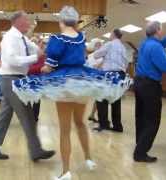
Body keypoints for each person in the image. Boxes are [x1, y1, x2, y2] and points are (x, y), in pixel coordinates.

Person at [12, 6, 132, 179]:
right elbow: (81, 59)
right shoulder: (81, 37)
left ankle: (66, 172)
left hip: (64, 84)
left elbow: (50, 65)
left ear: (61, 22)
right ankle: (89, 159)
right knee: (80, 123)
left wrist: (39, 70)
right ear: (75, 21)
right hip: (83, 81)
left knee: (65, 129)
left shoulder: (57, 39)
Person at [0, 11, 55, 161]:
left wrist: (47, 49)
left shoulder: (22, 38)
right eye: (26, 21)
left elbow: (36, 49)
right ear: (18, 22)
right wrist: (36, 57)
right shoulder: (9, 38)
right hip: (11, 80)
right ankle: (36, 150)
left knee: (4, 116)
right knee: (27, 115)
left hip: (14, 79)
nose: (29, 24)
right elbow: (12, 60)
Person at [134, 21, 166, 163]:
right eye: (162, 29)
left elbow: (161, 43)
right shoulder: (155, 47)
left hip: (138, 83)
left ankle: (140, 144)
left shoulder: (145, 44)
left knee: (141, 117)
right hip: (150, 86)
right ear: (158, 30)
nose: (163, 31)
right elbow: (165, 66)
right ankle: (140, 153)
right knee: (152, 120)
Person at [92, 29, 129, 133]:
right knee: (116, 100)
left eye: (110, 33)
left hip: (109, 74)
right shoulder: (123, 47)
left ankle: (104, 124)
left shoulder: (109, 44)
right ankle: (117, 126)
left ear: (113, 35)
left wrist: (102, 54)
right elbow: (126, 63)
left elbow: (96, 55)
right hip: (120, 74)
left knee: (101, 99)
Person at [28, 37, 46, 122]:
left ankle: (34, 116)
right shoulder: (28, 54)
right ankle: (28, 115)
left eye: (36, 42)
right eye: (32, 42)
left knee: (36, 99)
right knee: (27, 97)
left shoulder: (42, 54)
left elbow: (41, 67)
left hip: (38, 78)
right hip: (28, 78)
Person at [86, 41, 103, 123]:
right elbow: (94, 66)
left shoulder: (93, 56)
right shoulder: (95, 56)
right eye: (98, 44)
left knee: (98, 98)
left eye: (100, 45)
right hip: (96, 79)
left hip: (96, 79)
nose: (100, 46)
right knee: (99, 98)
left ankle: (92, 114)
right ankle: (97, 116)